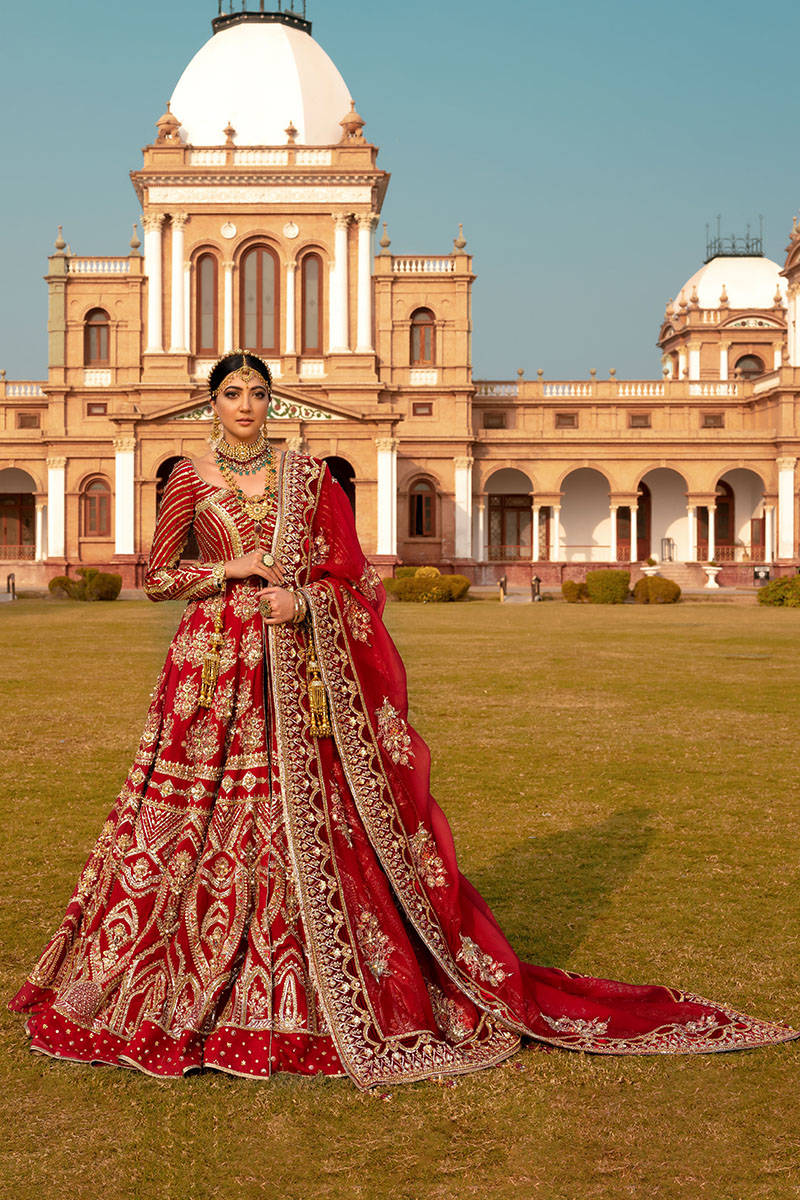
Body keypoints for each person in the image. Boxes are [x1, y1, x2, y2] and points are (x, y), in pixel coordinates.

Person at [9, 351, 797, 1089]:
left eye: (257, 394)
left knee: (303, 817)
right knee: (191, 817)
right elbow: (157, 575)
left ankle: (304, 987)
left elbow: (352, 581)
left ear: (270, 402)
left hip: (297, 667)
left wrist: (303, 599)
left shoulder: (309, 477)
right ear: (211, 403)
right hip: (211, 674)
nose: (246, 406)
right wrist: (233, 568)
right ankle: (179, 975)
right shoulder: (189, 475)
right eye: (231, 395)